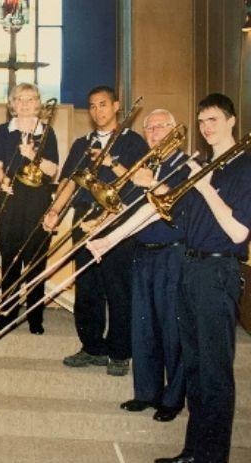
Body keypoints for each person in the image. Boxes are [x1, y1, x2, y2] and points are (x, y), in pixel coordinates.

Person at [88, 93, 251, 463]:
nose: (207, 128)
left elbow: (239, 231)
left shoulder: (243, 167)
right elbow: (159, 210)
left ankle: (212, 457)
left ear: (231, 121)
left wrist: (205, 187)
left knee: (213, 372)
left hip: (217, 269)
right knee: (194, 367)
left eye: (213, 120)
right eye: (202, 121)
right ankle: (194, 451)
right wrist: (110, 238)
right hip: (191, 268)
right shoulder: (207, 165)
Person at [43, 86, 148, 376]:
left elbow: (139, 184)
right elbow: (69, 183)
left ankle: (119, 352)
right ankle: (92, 347)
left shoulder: (133, 142)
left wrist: (111, 161)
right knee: (87, 286)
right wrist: (54, 211)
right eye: (92, 106)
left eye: (103, 104)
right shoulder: (81, 144)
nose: (97, 111)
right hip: (84, 219)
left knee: (118, 289)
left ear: (116, 106)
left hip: (117, 222)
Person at [116, 109, 186, 423]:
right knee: (143, 327)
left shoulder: (186, 163)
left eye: (161, 126)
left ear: (174, 130)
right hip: (142, 251)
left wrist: (152, 183)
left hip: (172, 254)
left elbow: (179, 206)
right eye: (150, 128)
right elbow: (130, 208)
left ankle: (173, 398)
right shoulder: (147, 165)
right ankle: (146, 392)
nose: (155, 132)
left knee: (172, 328)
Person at [0, 83, 59, 335]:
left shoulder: (48, 132)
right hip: (9, 201)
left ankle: (35, 317)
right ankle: (7, 314)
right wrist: (2, 179)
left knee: (36, 262)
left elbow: (53, 171)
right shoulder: (2, 131)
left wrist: (32, 156)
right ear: (12, 104)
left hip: (37, 202)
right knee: (10, 261)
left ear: (38, 103)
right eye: (20, 99)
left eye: (31, 99)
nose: (26, 104)